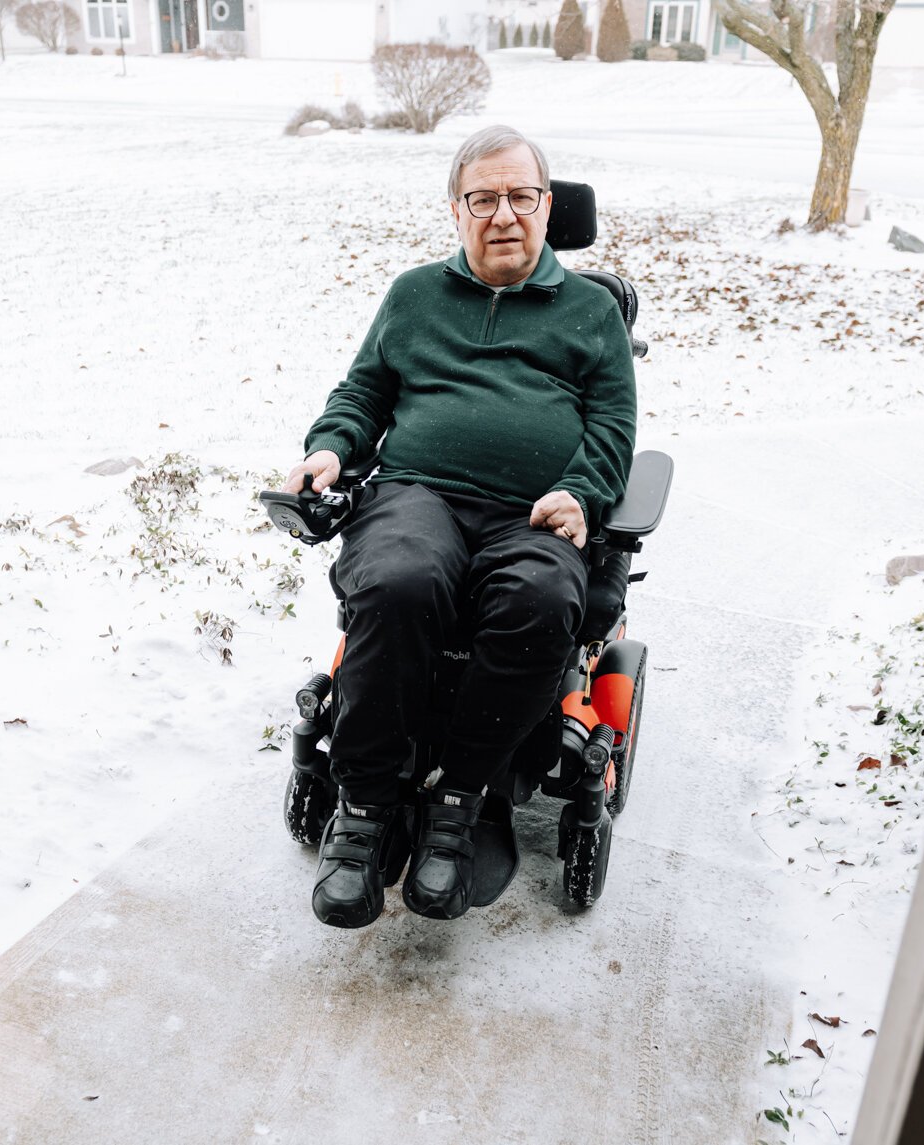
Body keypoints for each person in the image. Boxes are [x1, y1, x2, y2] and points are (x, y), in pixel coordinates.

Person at [283, 125, 637, 927]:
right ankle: (364, 812)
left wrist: (582, 490)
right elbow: (362, 394)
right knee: (398, 581)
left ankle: (461, 804)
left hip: (537, 509)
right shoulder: (415, 294)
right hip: (420, 494)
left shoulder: (590, 312)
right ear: (457, 209)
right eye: (485, 199)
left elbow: (614, 428)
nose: (503, 215)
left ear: (548, 208)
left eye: (521, 196)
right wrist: (330, 450)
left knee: (544, 600)